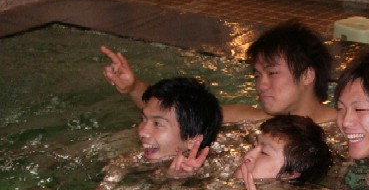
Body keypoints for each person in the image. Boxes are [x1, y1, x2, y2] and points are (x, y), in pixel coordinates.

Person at [102, 20, 336, 124]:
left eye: (272, 73)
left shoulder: (344, 128)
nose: (261, 85)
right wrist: (133, 87)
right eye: (257, 75)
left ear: (307, 75)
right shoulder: (253, 120)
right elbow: (176, 115)